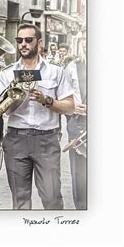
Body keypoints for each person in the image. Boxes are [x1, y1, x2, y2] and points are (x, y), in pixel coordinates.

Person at [0, 24, 74, 210]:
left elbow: (70, 107)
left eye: (28, 40)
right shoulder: (7, 73)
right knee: (20, 200)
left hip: (46, 139)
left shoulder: (56, 71)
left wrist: (46, 100)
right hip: (16, 138)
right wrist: (13, 96)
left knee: (52, 197)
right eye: (19, 40)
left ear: (39, 42)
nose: (23, 44)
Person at [60, 41, 87, 209]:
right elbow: (63, 95)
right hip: (79, 123)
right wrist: (70, 107)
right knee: (80, 173)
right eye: (84, 38)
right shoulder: (72, 66)